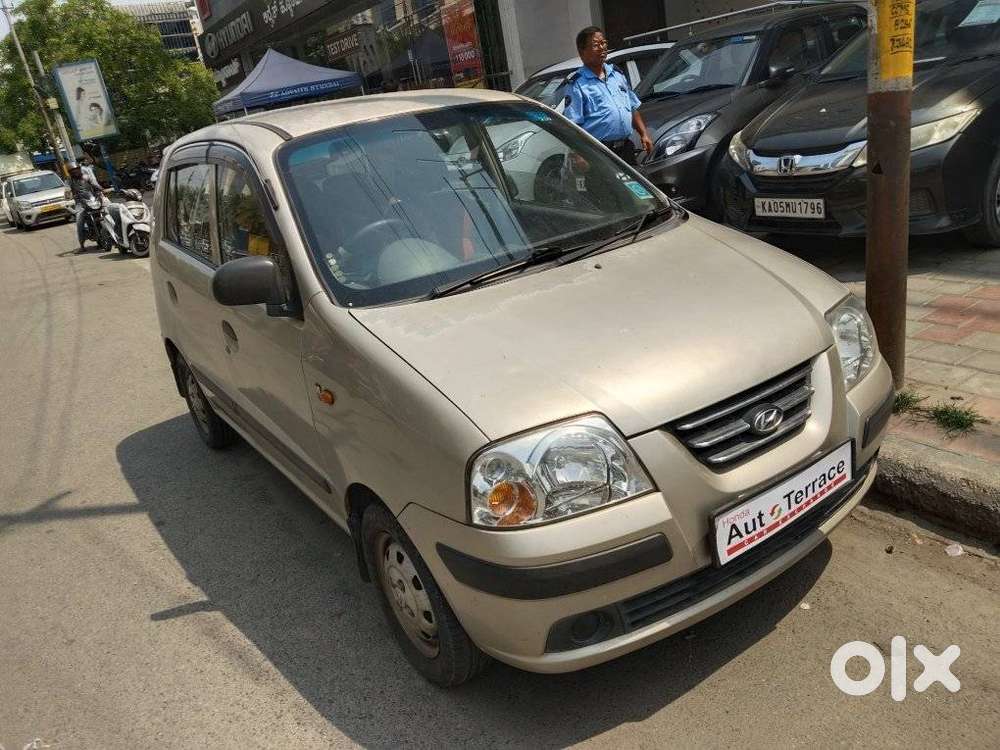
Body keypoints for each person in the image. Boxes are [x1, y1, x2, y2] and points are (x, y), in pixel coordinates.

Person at [563, 26, 653, 165]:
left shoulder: (617, 75)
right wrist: (578, 153)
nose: (602, 48)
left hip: (625, 149)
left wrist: (644, 134)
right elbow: (572, 125)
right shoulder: (577, 84)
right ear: (582, 52)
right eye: (595, 45)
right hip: (599, 152)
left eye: (603, 43)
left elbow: (632, 108)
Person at [68, 163, 103, 253]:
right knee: (79, 221)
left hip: (91, 200)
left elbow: (95, 184)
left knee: (107, 210)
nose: (75, 172)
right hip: (80, 203)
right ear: (70, 172)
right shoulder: (70, 181)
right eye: (73, 171)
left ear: (79, 169)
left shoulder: (86, 177)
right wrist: (70, 195)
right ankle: (82, 245)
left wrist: (100, 189)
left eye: (77, 169)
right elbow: (68, 191)